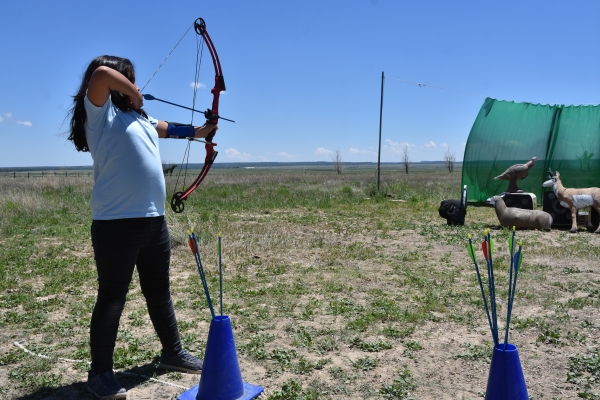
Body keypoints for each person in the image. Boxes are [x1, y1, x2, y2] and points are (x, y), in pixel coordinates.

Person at [67, 55, 217, 400]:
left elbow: (177, 130)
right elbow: (103, 74)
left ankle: (172, 353)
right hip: (115, 224)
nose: (135, 85)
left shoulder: (142, 119)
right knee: (112, 297)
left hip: (153, 221)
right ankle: (100, 373)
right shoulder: (100, 116)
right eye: (131, 79)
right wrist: (133, 92)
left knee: (158, 291)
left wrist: (203, 130)